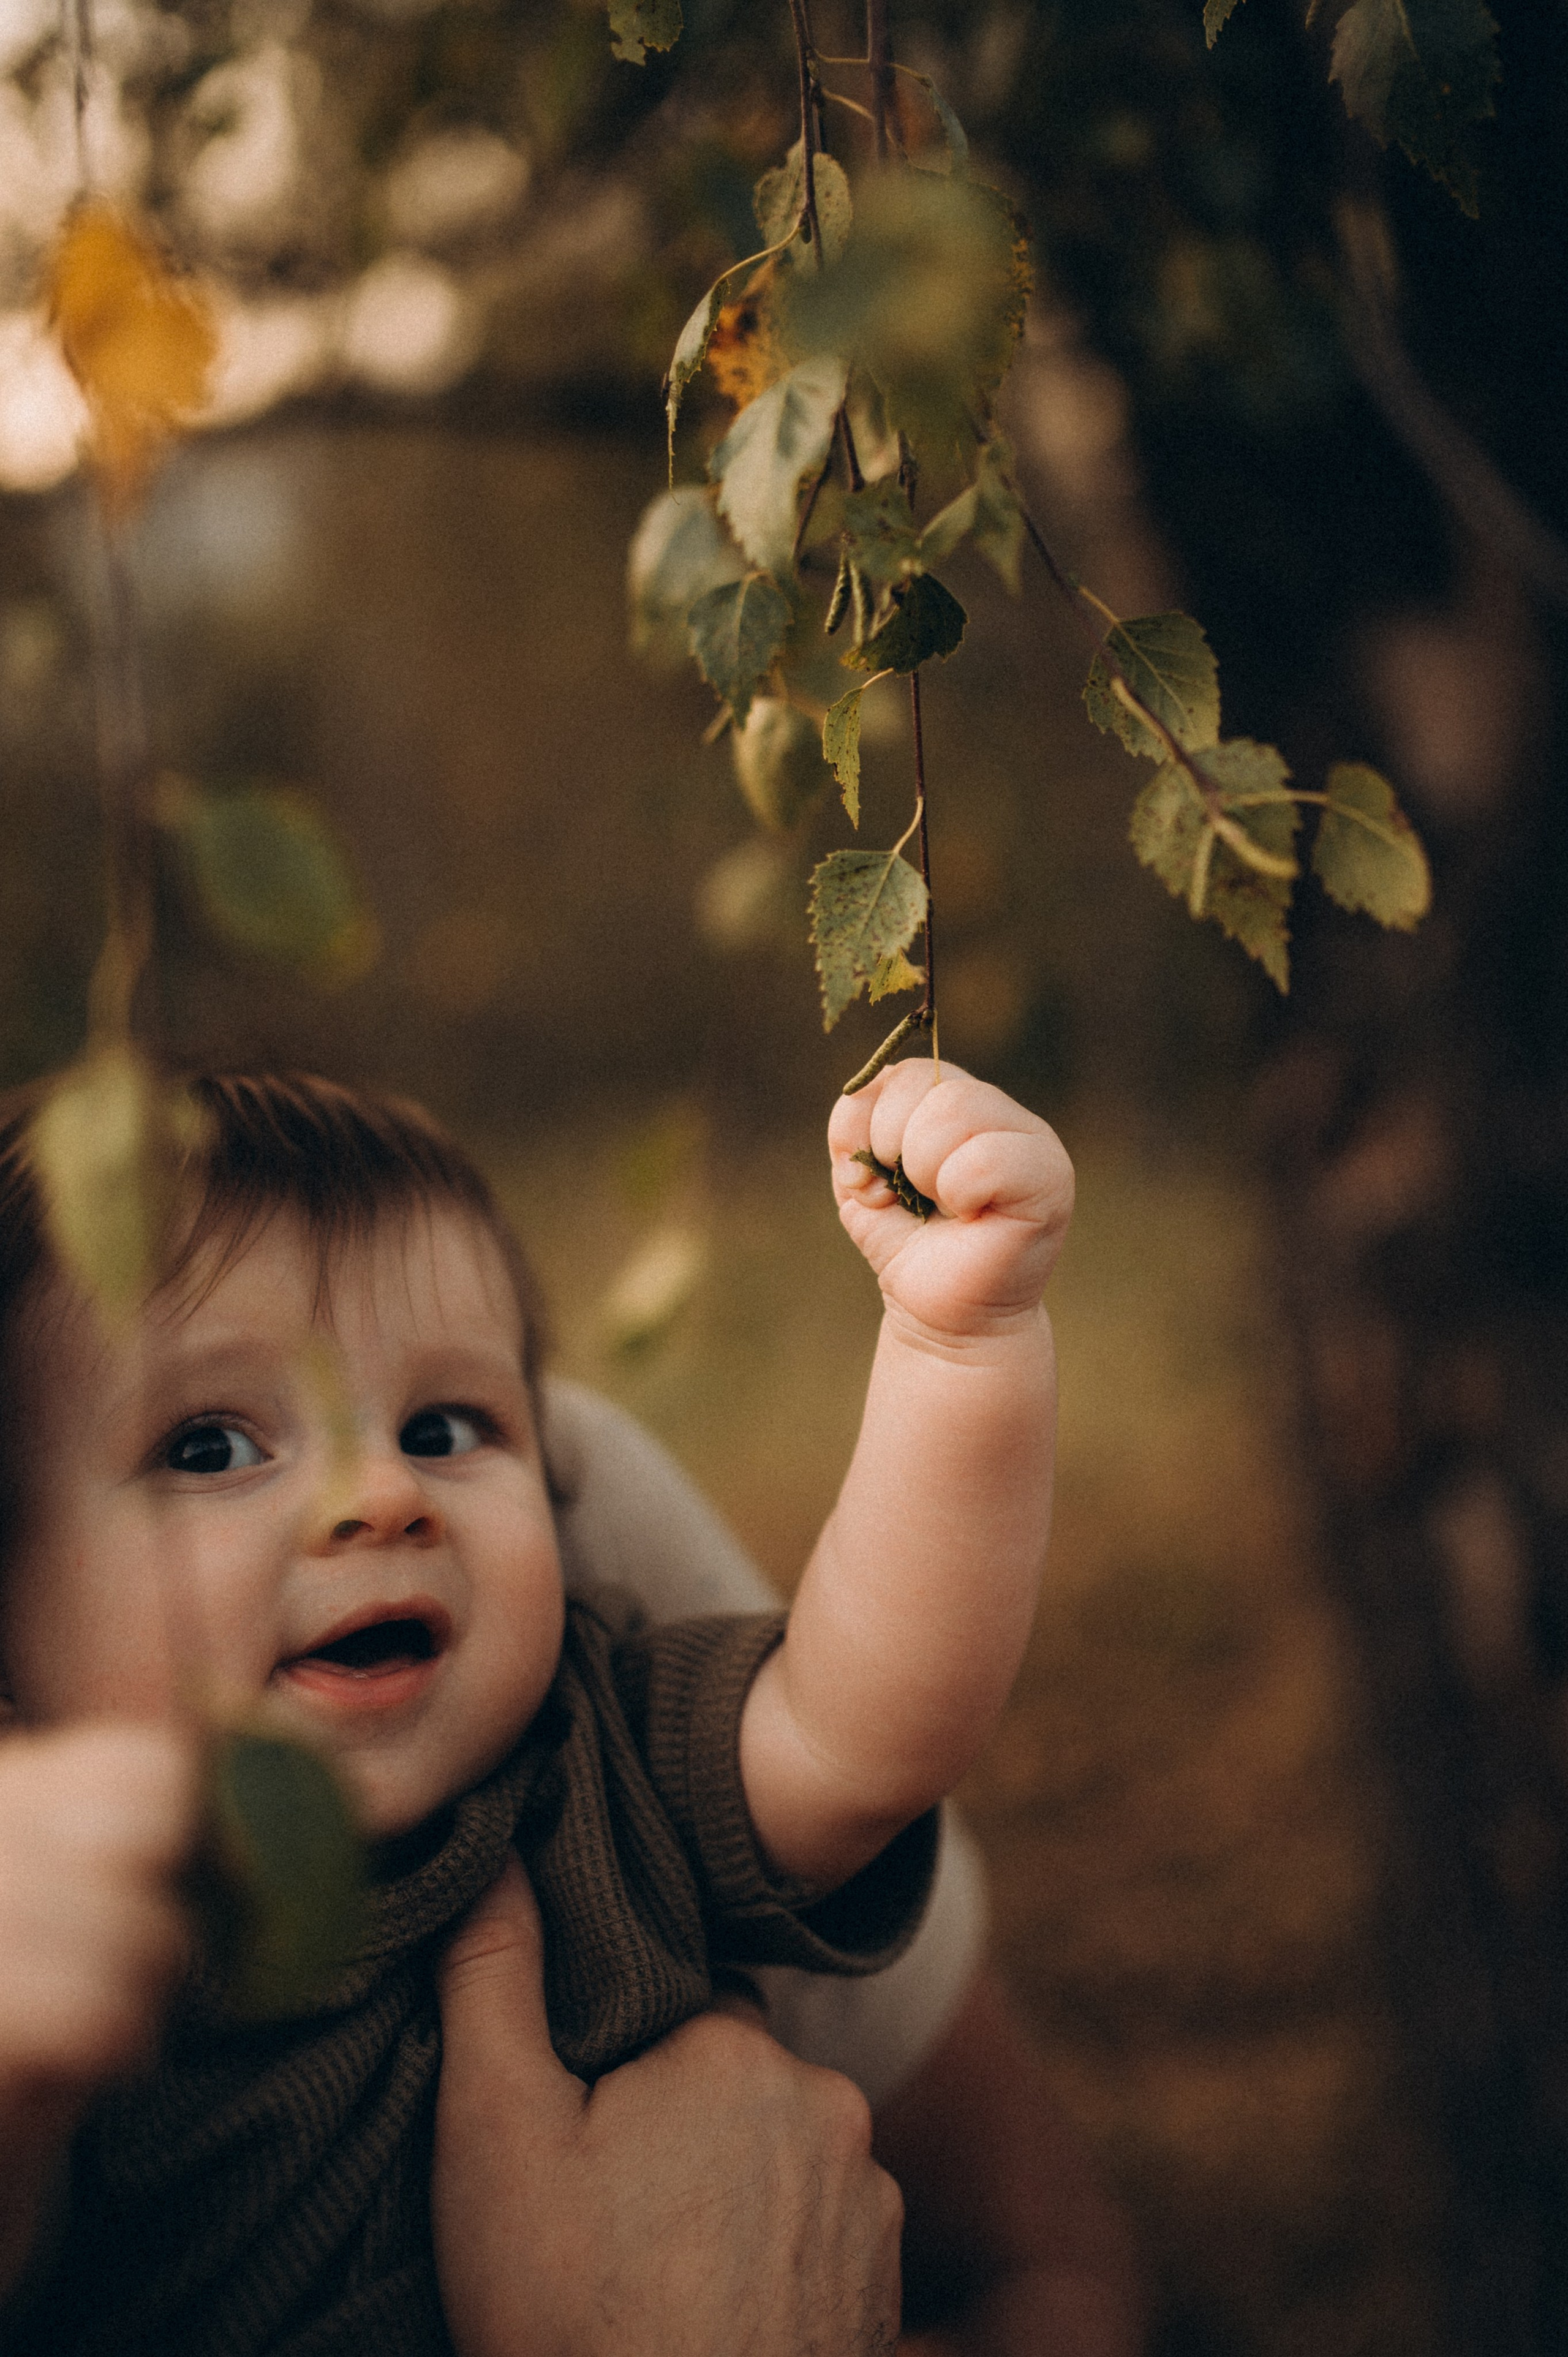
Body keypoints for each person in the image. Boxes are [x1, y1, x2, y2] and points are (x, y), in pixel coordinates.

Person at [0, 1058, 1112, 2353]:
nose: (380, 1496)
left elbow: (856, 1732)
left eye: (444, 1428)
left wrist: (957, 1345)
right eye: (212, 1447)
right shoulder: (58, 1945)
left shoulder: (596, 1757)